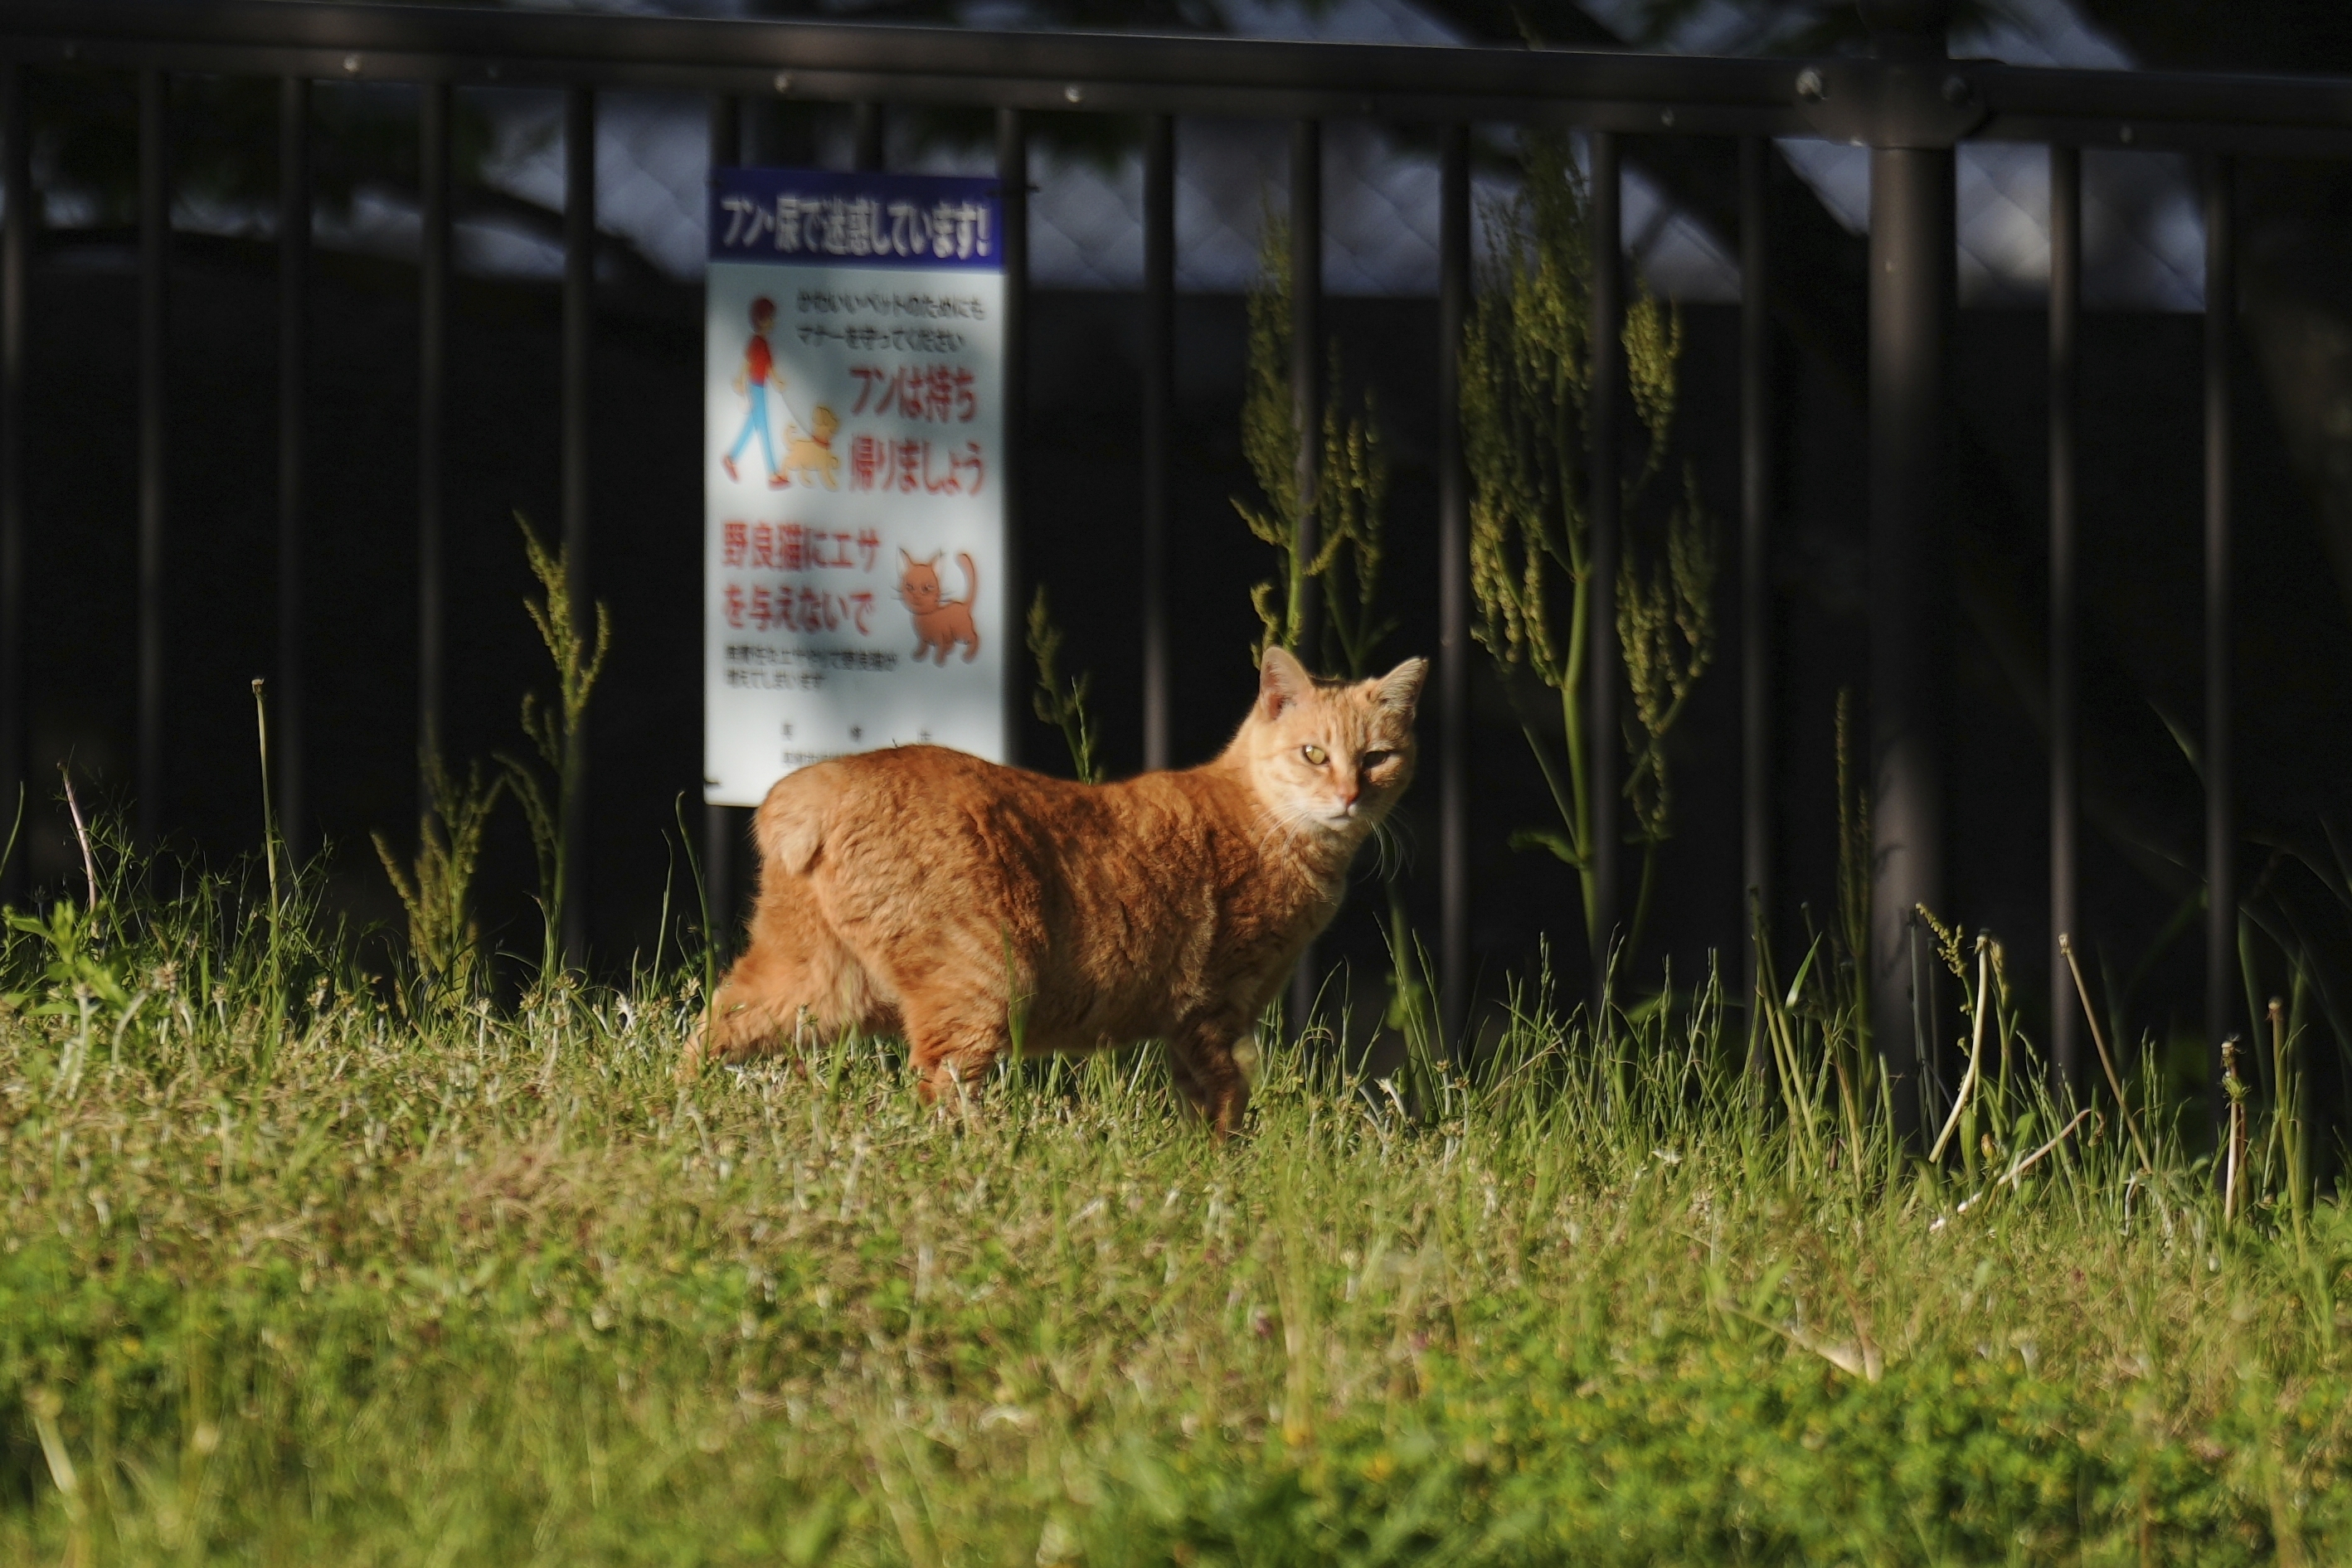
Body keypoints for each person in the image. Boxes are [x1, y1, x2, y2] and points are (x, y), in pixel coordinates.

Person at [723, 296, 788, 488]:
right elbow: (747, 363)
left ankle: (731, 458)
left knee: (753, 426)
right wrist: (740, 381)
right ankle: (773, 473)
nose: (773, 322)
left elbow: (770, 368)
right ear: (761, 319)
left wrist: (778, 382)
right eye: (770, 318)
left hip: (761, 386)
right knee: (764, 428)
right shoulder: (757, 342)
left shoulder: (765, 344)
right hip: (755, 386)